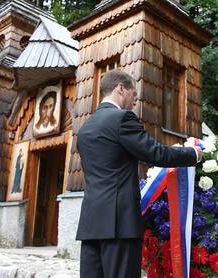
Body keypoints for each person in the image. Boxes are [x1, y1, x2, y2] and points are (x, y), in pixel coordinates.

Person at [76, 70, 202, 278]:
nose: (135, 103)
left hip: (91, 223)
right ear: (121, 88)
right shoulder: (121, 119)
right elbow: (157, 153)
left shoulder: (85, 127)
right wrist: (192, 154)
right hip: (119, 223)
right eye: (134, 97)